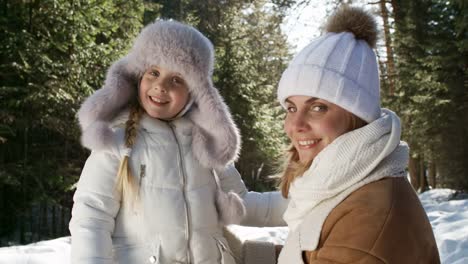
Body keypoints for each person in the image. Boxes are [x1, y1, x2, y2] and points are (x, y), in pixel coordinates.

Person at [69, 20, 287, 264]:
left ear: (195, 91)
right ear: (138, 76)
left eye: (177, 80)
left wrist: (308, 203)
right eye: (154, 73)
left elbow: (242, 202)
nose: (160, 86)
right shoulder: (117, 143)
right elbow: (92, 216)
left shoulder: (207, 143)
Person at [275, 5, 440, 264]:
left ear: (357, 116)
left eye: (318, 107)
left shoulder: (371, 217)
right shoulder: (346, 183)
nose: (295, 125)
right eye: (291, 108)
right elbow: (313, 252)